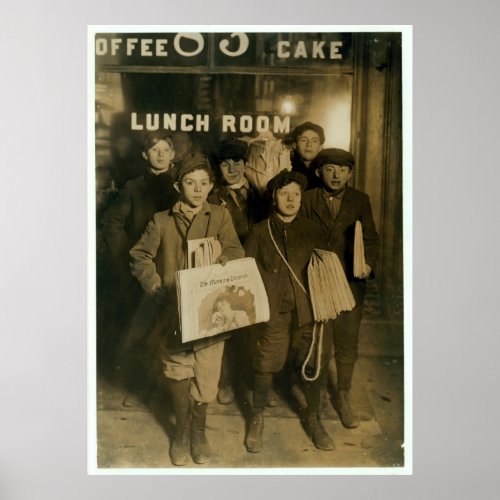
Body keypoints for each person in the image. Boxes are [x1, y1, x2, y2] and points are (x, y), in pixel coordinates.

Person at [129, 153, 244, 466]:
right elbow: (140, 256)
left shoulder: (219, 216)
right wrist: (154, 283)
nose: (197, 189)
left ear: (210, 186)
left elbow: (235, 249)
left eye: (204, 183)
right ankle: (181, 431)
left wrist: (223, 261)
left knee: (207, 373)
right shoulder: (162, 220)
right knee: (177, 368)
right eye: (190, 183)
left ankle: (199, 430)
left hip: (211, 309)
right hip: (173, 309)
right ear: (178, 184)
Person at [243, 170, 335, 453]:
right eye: (285, 194)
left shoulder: (313, 229)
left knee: (313, 361)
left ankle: (313, 418)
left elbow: (328, 268)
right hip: (274, 311)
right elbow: (246, 271)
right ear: (274, 197)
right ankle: (257, 417)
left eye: (296, 194)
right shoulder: (260, 231)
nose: (291, 199)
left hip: (309, 309)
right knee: (266, 359)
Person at [300, 148, 380, 428]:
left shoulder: (360, 200)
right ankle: (314, 404)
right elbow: (298, 238)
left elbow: (370, 238)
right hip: (318, 282)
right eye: (330, 169)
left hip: (349, 282)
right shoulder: (307, 199)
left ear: (350, 173)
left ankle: (343, 396)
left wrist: (367, 264)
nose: (336, 175)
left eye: (342, 170)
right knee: (318, 342)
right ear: (318, 172)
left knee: (347, 342)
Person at [99, 131, 178, 388]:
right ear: (145, 155)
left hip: (175, 265)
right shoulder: (133, 188)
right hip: (142, 270)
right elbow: (111, 223)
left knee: (171, 328)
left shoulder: (182, 184)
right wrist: (126, 257)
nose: (160, 154)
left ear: (173, 154)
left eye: (165, 149)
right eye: (155, 150)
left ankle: (168, 387)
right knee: (140, 329)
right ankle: (138, 386)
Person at [208, 139, 265, 404]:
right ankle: (227, 381)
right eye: (224, 163)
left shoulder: (261, 194)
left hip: (257, 268)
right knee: (227, 326)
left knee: (255, 326)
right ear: (217, 167)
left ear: (246, 164)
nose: (231, 169)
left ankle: (253, 383)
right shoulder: (212, 197)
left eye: (237, 162)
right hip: (226, 269)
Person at [290, 121, 325, 190]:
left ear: (320, 147)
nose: (309, 144)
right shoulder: (288, 169)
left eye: (314, 141)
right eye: (303, 140)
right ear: (295, 145)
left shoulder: (326, 171)